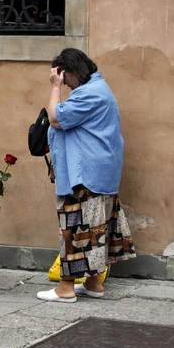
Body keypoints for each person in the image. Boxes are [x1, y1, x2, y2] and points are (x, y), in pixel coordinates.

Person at [36, 48, 136, 303]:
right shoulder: (98, 89)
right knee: (95, 229)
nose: (65, 82)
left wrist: (55, 88)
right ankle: (93, 283)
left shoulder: (89, 94)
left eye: (65, 76)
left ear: (73, 72)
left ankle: (66, 288)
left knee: (76, 227)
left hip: (85, 175)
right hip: (98, 173)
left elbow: (56, 118)